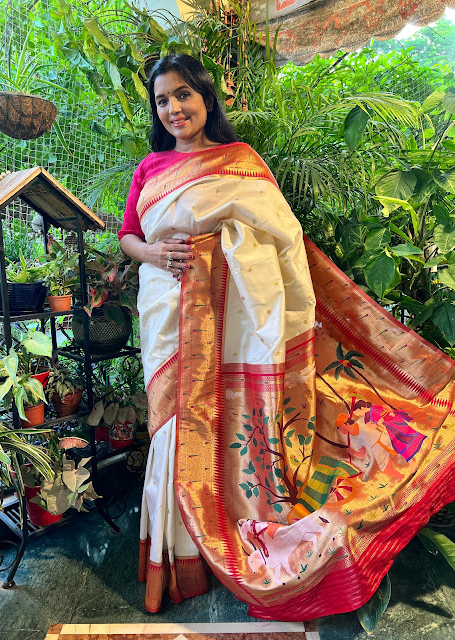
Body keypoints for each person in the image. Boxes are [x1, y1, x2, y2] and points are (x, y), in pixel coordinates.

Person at [119, 54, 455, 620]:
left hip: (236, 320)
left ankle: (235, 521)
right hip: (169, 311)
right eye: (162, 100)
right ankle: (180, 552)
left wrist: (227, 251)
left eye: (183, 95)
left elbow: (283, 237)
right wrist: (152, 252)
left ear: (205, 98)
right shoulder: (150, 170)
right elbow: (129, 234)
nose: (173, 108)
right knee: (175, 425)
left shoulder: (241, 161)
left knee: (230, 416)